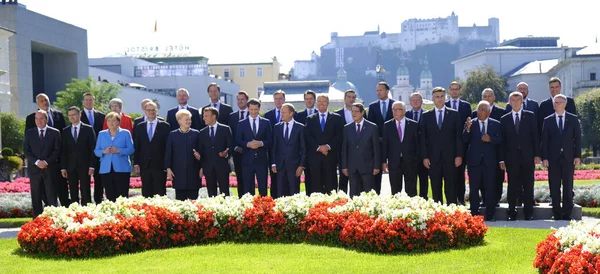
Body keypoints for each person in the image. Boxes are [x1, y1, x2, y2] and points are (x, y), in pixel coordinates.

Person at [500, 91, 540, 221]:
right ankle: (512, 211)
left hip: (527, 157)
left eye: (518, 100)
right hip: (511, 158)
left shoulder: (530, 116)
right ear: (509, 102)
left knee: (528, 185)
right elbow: (502, 141)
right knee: (512, 186)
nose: (516, 102)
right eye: (513, 100)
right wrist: (502, 159)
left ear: (522, 101)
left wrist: (537, 154)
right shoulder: (504, 119)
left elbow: (535, 136)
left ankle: (529, 212)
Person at [420, 87, 463, 205]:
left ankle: (452, 213)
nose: (439, 99)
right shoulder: (426, 115)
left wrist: (459, 155)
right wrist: (425, 157)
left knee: (451, 187)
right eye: (437, 97)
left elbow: (458, 137)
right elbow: (423, 138)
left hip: (450, 157)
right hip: (433, 158)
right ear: (433, 99)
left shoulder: (454, 114)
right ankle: (438, 215)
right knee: (435, 187)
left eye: (442, 96)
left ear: (445, 97)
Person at [541, 94, 581, 220]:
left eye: (559, 102)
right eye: (555, 102)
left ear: (565, 104)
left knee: (568, 186)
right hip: (553, 159)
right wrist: (545, 158)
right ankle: (557, 213)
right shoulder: (548, 120)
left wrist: (577, 156)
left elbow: (578, 139)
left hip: (568, 157)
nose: (557, 104)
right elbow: (544, 141)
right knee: (554, 186)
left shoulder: (573, 119)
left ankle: (567, 213)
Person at [25, 93, 69, 206]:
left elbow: (63, 141)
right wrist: (38, 162)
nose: (45, 102)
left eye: (46, 100)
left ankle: (62, 215)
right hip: (37, 165)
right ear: (37, 103)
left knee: (59, 191)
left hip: (55, 163)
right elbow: (29, 144)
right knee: (40, 195)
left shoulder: (58, 115)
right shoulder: (30, 118)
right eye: (42, 101)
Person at [463, 101, 502, 221]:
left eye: (483, 110)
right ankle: (474, 214)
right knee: (474, 189)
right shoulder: (471, 123)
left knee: (490, 189)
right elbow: (464, 139)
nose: (480, 112)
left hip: (489, 163)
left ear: (489, 112)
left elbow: (500, 140)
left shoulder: (496, 124)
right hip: (474, 162)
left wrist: (491, 139)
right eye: (479, 109)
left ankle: (490, 214)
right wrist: (467, 130)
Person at [23, 110, 60, 217]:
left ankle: (54, 220)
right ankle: (37, 222)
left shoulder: (55, 132)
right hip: (35, 170)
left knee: (51, 197)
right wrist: (37, 162)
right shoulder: (30, 133)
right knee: (36, 197)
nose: (39, 121)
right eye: (36, 119)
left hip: (50, 169)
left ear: (46, 119)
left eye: (41, 118)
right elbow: (26, 150)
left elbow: (57, 150)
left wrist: (46, 162)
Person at [472, 88, 506, 206]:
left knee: (496, 179)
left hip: (495, 153)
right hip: (479, 155)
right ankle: (485, 200)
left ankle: (495, 200)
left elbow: (503, 137)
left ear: (494, 97)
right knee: (481, 180)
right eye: (485, 96)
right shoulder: (474, 115)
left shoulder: (502, 112)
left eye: (489, 96)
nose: (487, 98)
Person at [305, 94, 344, 194]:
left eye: (323, 101)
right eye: (319, 101)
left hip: (330, 157)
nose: (321, 104)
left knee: (331, 186)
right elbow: (308, 137)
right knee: (316, 186)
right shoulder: (310, 119)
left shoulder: (336, 118)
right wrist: (318, 148)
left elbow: (339, 136)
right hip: (315, 157)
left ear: (328, 103)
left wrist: (328, 147)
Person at [341, 103, 381, 197]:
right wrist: (344, 166)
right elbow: (344, 149)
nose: (354, 114)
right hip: (352, 167)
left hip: (368, 167)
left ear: (362, 112)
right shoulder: (347, 128)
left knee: (368, 194)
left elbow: (376, 148)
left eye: (356, 111)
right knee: (354, 194)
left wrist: (376, 166)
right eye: (352, 112)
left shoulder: (372, 127)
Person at [94, 112, 135, 202]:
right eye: (109, 120)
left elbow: (131, 149)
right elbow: (96, 151)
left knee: (122, 195)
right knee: (110, 195)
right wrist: (103, 151)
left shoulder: (125, 133)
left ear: (118, 122)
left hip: (122, 168)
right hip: (106, 168)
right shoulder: (101, 134)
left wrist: (119, 150)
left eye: (113, 120)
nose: (111, 122)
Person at [133, 101, 171, 198]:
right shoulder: (140, 126)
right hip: (144, 165)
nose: (151, 112)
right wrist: (136, 163)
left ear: (157, 111)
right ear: (145, 111)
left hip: (159, 165)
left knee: (160, 193)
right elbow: (137, 146)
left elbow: (168, 147)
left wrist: (167, 165)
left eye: (153, 110)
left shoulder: (165, 126)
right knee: (146, 193)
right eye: (148, 110)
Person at [382, 102, 419, 196]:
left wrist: (416, 160)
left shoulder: (413, 125)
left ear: (404, 111)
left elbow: (417, 144)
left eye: (398, 109)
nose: (395, 112)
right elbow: (385, 145)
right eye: (394, 109)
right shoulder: (387, 125)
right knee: (395, 191)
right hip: (394, 162)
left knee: (411, 191)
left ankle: (412, 209)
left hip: (410, 162)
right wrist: (384, 161)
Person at [236, 99, 272, 196]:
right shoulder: (241, 123)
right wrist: (248, 144)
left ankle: (264, 209)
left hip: (262, 160)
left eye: (256, 109)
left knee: (263, 188)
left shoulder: (266, 122)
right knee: (248, 189)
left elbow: (270, 140)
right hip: (247, 161)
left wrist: (261, 143)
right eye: (251, 109)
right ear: (248, 109)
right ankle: (250, 210)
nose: (254, 112)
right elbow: (238, 140)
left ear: (259, 108)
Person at [60, 106, 96, 205]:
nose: (71, 117)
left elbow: (93, 149)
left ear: (79, 115)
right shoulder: (65, 131)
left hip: (85, 166)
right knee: (73, 191)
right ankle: (75, 212)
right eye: (69, 115)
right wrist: (63, 167)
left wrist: (92, 165)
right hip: (70, 166)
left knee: (85, 190)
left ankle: (87, 211)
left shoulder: (88, 129)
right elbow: (63, 150)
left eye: (74, 114)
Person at [164, 109, 202, 201]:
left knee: (194, 201)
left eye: (189, 119)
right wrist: (168, 168)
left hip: (193, 173)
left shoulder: (196, 134)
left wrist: (200, 159)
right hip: (178, 173)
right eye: (186, 120)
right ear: (179, 121)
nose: (189, 121)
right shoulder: (173, 135)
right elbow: (169, 152)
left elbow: (202, 151)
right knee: (180, 201)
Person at [271, 103, 306, 197]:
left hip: (294, 166)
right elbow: (274, 146)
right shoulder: (277, 127)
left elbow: (303, 149)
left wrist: (301, 165)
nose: (281, 114)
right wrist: (273, 163)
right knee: (280, 192)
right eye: (281, 112)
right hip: (280, 165)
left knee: (294, 192)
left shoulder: (300, 127)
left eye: (284, 112)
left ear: (291, 113)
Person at [446, 81, 472, 205]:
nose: (454, 91)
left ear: (460, 90)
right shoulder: (444, 105)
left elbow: (468, 125)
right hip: (447, 146)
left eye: (457, 89)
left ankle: (461, 199)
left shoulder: (466, 106)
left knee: (460, 174)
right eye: (452, 89)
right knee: (449, 175)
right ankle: (450, 200)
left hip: (462, 145)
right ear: (449, 91)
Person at [367, 82, 395, 194]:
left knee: (395, 172)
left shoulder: (395, 105)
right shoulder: (372, 106)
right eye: (377, 90)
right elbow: (370, 125)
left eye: (381, 90)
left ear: (387, 91)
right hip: (377, 143)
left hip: (393, 143)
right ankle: (376, 195)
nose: (378, 92)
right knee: (376, 173)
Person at [198, 107, 233, 197]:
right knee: (211, 194)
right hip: (208, 168)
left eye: (206, 116)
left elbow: (230, 146)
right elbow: (201, 150)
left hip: (222, 166)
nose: (204, 118)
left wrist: (226, 154)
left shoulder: (225, 129)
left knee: (225, 193)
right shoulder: (202, 132)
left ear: (213, 117)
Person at [335, 89, 363, 193]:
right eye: (349, 97)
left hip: (359, 153)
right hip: (344, 152)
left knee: (357, 182)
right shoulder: (337, 115)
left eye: (353, 97)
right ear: (344, 98)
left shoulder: (362, 114)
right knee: (343, 181)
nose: (351, 99)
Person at [80, 92, 106, 203]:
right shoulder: (78, 116)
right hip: (85, 154)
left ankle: (99, 202)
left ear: (94, 101)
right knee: (85, 181)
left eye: (91, 100)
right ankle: (86, 204)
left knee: (99, 180)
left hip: (100, 152)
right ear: (83, 102)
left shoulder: (102, 116)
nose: (88, 102)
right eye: (86, 100)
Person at [405, 92, 429, 199]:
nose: (415, 102)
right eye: (413, 100)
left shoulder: (428, 114)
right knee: (410, 180)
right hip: (410, 154)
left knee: (424, 179)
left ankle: (424, 199)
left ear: (422, 101)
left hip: (424, 154)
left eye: (417, 100)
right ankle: (412, 201)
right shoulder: (405, 115)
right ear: (410, 102)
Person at [263, 90, 286, 198]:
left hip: (287, 152)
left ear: (284, 100)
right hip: (273, 152)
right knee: (274, 179)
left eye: (280, 98)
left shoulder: (291, 113)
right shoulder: (267, 115)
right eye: (276, 99)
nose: (278, 101)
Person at [293, 90, 316, 194]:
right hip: (303, 152)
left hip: (316, 151)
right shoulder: (298, 115)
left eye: (311, 99)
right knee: (308, 179)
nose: (309, 101)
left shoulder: (319, 114)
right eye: (306, 99)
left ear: (314, 100)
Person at [228, 91, 250, 197]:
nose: (240, 101)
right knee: (240, 178)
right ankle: (241, 200)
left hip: (251, 152)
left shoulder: (253, 114)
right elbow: (230, 135)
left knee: (250, 179)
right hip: (237, 153)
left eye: (242, 99)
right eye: (238, 99)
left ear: (247, 100)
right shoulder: (232, 116)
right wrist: (235, 147)